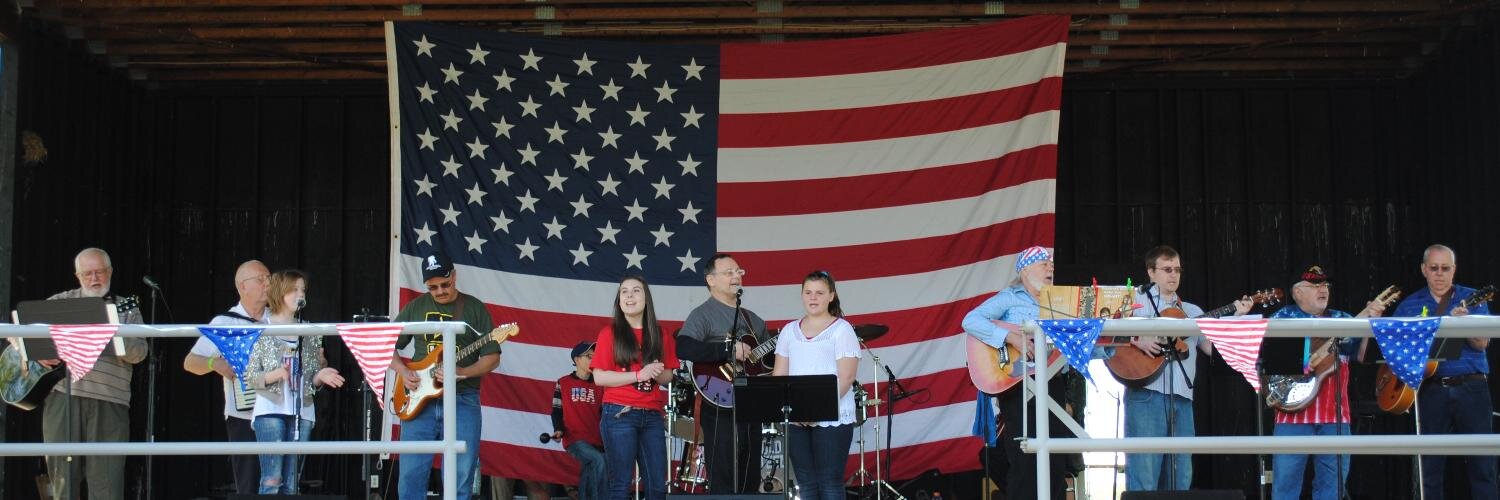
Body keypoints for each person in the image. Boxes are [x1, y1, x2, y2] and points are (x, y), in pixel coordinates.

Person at [1124, 246, 1251, 491]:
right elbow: (1104, 332)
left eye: (1178, 270)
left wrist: (1237, 317)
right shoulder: (1134, 302)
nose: (1174, 275)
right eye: (1167, 269)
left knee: (1180, 476)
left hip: (1182, 400)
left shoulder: (1193, 312)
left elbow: (1214, 349)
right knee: (1144, 475)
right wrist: (1137, 338)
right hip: (1145, 395)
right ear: (1151, 272)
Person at [961, 245, 1075, 499]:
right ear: (1025, 271)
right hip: (1017, 383)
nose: (1051, 267)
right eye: (1043, 263)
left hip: (1053, 380)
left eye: (1051, 264)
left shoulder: (1060, 301)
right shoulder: (1010, 297)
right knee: (1024, 458)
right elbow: (971, 320)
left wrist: (1119, 339)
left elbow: (1081, 340)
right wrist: (1012, 337)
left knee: (1056, 459)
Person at [390, 251, 502, 500]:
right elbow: (386, 346)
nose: (440, 291)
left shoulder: (473, 308)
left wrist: (462, 372)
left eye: (445, 284)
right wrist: (404, 371)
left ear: (454, 276)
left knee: (461, 476)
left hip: (463, 398)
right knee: (411, 475)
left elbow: (492, 357)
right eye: (433, 287)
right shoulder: (415, 307)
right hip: (419, 399)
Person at [1268, 265, 1385, 500]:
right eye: (1315, 285)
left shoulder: (1344, 319)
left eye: (1325, 285)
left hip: (1335, 417)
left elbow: (1361, 356)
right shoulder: (1283, 318)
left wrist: (1372, 323)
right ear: (1297, 292)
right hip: (1292, 415)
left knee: (1332, 489)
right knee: (1285, 488)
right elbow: (1271, 364)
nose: (1323, 289)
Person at [40, 247, 147, 500]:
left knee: (107, 483)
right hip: (62, 398)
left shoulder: (126, 307)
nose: (94, 278)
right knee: (62, 480)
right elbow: (17, 329)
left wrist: (113, 332)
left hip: (111, 401)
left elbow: (140, 352)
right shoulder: (61, 302)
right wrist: (36, 353)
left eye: (99, 271)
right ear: (77, 276)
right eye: (87, 273)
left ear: (110, 272)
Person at [1392, 244, 1496, 500]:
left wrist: (1465, 323)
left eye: (1445, 268)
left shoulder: (1473, 298)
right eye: (1434, 268)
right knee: (1429, 464)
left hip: (1471, 386)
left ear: (1454, 270)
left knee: (1483, 464)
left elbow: (1482, 343)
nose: (1439, 274)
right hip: (1430, 387)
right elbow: (1393, 348)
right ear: (1423, 270)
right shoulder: (1409, 304)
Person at [243, 270, 344, 494]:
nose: (300, 294)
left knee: (292, 482)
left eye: (303, 290)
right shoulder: (260, 329)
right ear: (280, 292)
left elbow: (312, 378)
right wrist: (276, 375)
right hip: (270, 410)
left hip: (302, 411)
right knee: (272, 479)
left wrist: (320, 376)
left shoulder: (309, 331)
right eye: (294, 289)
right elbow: (250, 377)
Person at [674, 254, 766, 494]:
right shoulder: (702, 314)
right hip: (716, 396)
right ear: (710, 280)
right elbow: (683, 347)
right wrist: (728, 349)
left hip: (750, 399)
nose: (737, 276)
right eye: (729, 272)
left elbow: (768, 363)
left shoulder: (754, 320)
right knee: (721, 464)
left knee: (750, 466)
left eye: (739, 271)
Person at [771, 270, 860, 500]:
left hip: (832, 417)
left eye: (819, 293)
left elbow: (847, 377)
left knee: (829, 482)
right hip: (796, 418)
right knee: (806, 484)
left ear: (831, 295)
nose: (813, 297)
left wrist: (816, 411)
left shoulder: (842, 330)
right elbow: (779, 374)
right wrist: (793, 409)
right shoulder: (789, 331)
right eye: (808, 292)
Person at [185, 259, 270, 494]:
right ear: (243, 286)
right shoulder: (225, 323)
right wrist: (215, 363)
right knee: (249, 484)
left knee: (279, 482)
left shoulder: (280, 320)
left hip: (278, 411)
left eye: (269, 278)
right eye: (261, 279)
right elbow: (190, 362)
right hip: (244, 415)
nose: (268, 283)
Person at [591, 276, 678, 500]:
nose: (630, 295)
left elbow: (668, 377)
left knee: (657, 485)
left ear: (646, 298)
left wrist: (657, 371)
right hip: (619, 413)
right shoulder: (609, 334)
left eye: (636, 290)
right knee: (620, 484)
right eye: (624, 292)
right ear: (619, 301)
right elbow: (599, 377)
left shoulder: (661, 334)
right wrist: (639, 374)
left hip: (652, 416)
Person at [551, 341, 605, 500]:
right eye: (589, 356)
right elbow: (556, 410)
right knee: (598, 460)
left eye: (595, 357)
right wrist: (558, 429)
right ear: (576, 360)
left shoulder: (602, 383)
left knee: (590, 472)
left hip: (598, 439)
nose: (593, 360)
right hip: (575, 439)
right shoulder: (563, 382)